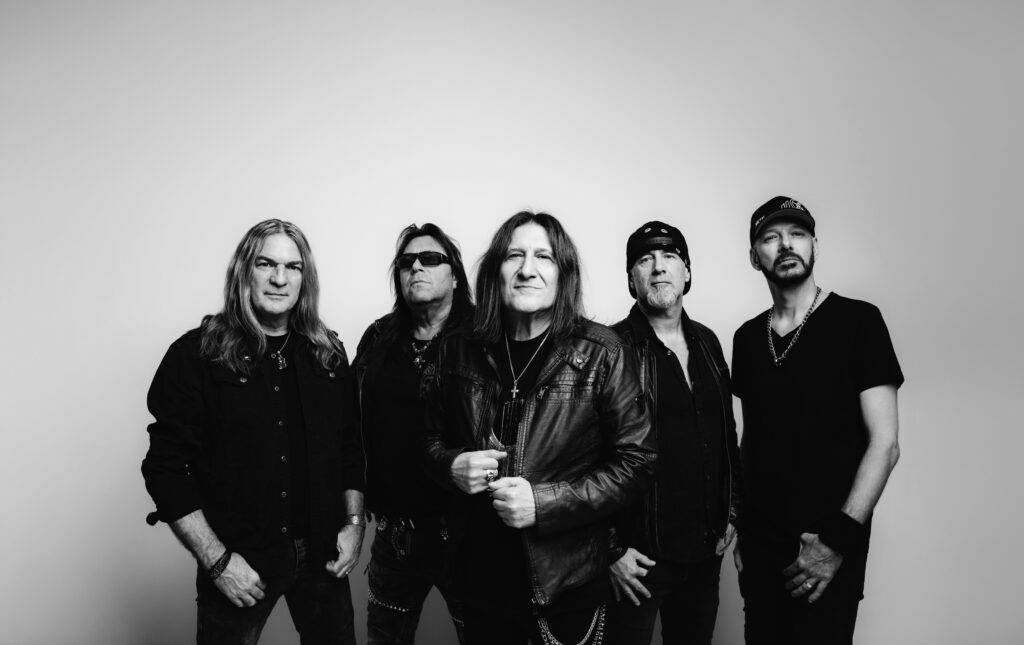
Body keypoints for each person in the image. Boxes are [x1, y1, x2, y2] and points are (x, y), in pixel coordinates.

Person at [423, 211, 656, 645]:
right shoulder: (457, 348)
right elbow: (424, 442)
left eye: (543, 257)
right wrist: (451, 465)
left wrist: (544, 503)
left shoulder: (603, 352)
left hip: (566, 585)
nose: (527, 269)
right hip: (477, 582)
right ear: (495, 271)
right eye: (515, 255)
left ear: (563, 273)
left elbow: (638, 463)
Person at [142, 219, 365, 645]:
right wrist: (217, 562)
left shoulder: (328, 353)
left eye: (293, 267)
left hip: (323, 556)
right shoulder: (197, 354)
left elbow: (349, 449)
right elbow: (165, 469)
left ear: (305, 277)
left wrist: (354, 525)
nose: (280, 278)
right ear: (244, 270)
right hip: (240, 559)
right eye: (266, 264)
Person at [731, 197, 904, 644]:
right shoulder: (747, 338)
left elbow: (885, 444)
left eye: (798, 234)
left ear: (814, 246)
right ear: (754, 257)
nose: (786, 245)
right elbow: (753, 441)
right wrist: (743, 528)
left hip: (829, 542)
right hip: (762, 547)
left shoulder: (859, 321)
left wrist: (836, 541)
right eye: (771, 238)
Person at [607, 222, 742, 645]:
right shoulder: (610, 348)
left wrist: (731, 511)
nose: (659, 267)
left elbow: (726, 434)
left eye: (670, 257)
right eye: (645, 259)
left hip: (704, 553)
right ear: (632, 279)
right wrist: (610, 550)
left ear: (687, 272)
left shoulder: (708, 342)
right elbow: (583, 456)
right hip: (638, 560)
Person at [353, 223, 472, 643]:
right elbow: (349, 423)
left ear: (455, 276)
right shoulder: (378, 337)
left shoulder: (485, 337)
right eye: (406, 262)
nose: (416, 267)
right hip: (396, 535)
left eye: (431, 259)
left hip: (467, 535)